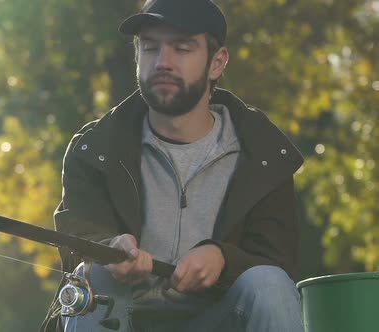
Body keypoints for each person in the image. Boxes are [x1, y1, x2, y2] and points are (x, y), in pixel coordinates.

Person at [41, 0, 305, 331]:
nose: (163, 62)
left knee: (269, 282)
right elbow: (76, 236)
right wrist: (110, 250)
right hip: (123, 317)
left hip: (219, 320)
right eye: (150, 48)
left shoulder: (265, 156)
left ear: (217, 63)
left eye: (182, 48)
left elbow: (279, 262)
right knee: (93, 274)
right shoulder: (93, 149)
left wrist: (223, 258)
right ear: (137, 56)